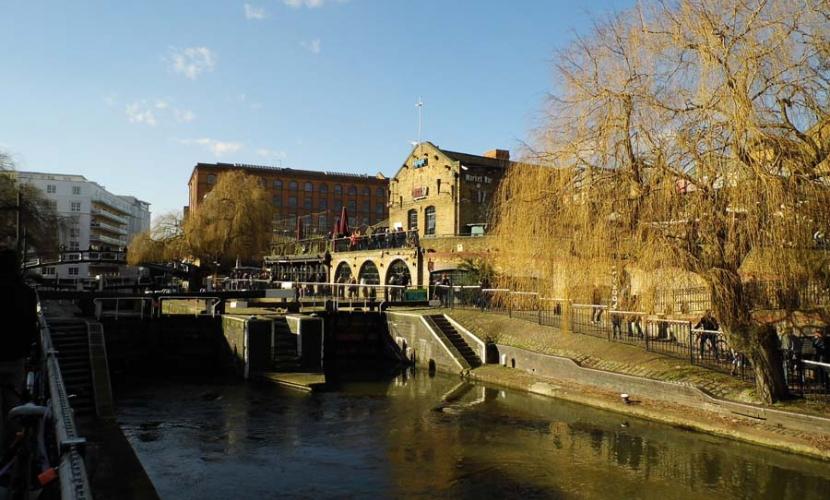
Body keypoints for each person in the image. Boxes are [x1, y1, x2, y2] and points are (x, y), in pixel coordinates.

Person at [0, 249, 38, 449]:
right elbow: (31, 325)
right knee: (13, 406)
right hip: (16, 358)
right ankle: (11, 448)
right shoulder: (28, 293)